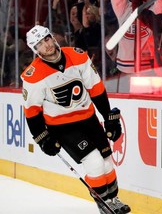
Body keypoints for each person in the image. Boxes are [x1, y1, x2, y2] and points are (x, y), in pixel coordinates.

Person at [20, 25, 131, 214]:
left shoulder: (78, 56)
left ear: (52, 37)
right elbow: (32, 111)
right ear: (35, 50)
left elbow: (95, 88)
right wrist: (42, 137)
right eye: (39, 44)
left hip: (88, 119)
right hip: (62, 127)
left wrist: (108, 117)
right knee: (94, 162)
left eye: (46, 39)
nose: (46, 45)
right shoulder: (33, 76)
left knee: (106, 160)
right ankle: (104, 203)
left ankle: (113, 198)